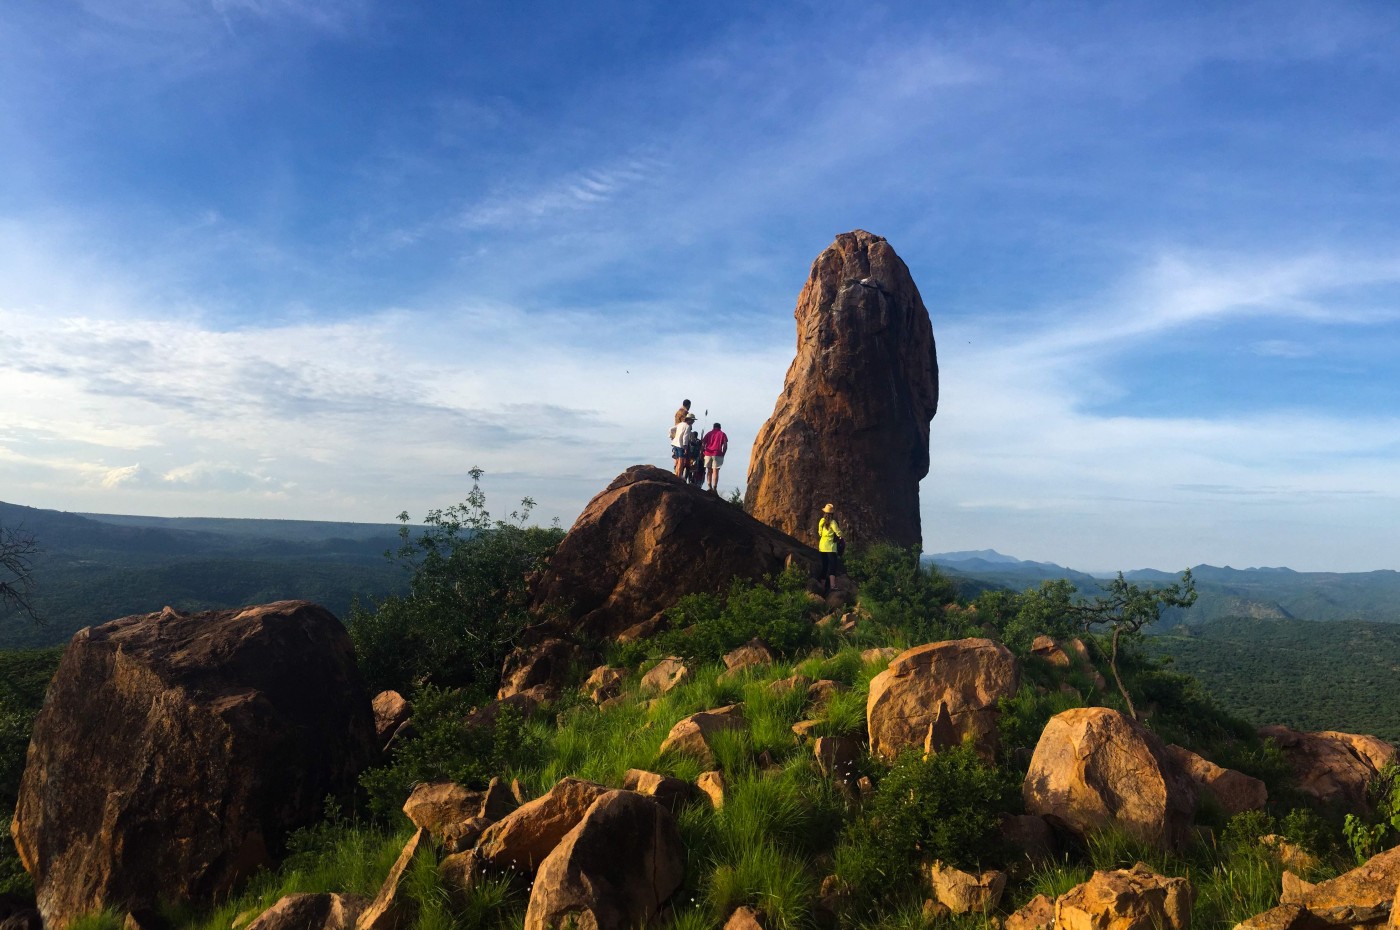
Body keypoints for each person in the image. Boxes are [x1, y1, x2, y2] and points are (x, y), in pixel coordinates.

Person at [817, 503, 844, 595]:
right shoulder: (833, 522)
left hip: (822, 547)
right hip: (831, 547)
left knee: (824, 566)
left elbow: (820, 533)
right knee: (832, 566)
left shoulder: (821, 521)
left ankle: (822, 587)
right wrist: (841, 537)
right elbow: (838, 533)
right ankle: (832, 586)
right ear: (832, 514)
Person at [702, 422, 728, 492]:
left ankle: (709, 486)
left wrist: (702, 452)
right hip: (717, 453)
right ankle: (714, 488)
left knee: (709, 470)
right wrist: (723, 453)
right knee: (715, 471)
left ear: (713, 427)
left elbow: (703, 443)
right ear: (720, 427)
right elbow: (725, 445)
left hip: (708, 453)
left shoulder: (709, 433)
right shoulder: (722, 434)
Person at [670, 412, 695, 477]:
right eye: (692, 420)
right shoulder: (687, 426)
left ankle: (676, 474)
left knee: (678, 460)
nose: (693, 422)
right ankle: (678, 476)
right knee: (681, 461)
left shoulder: (680, 424)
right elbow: (685, 437)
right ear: (689, 419)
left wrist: (671, 436)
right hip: (681, 445)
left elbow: (671, 429)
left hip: (675, 443)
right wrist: (685, 447)